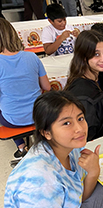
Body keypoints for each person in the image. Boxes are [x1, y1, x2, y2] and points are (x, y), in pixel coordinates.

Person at [0, 18, 51, 159]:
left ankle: (21, 147)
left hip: (12, 120)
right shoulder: (32, 57)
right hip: (38, 114)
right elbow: (47, 86)